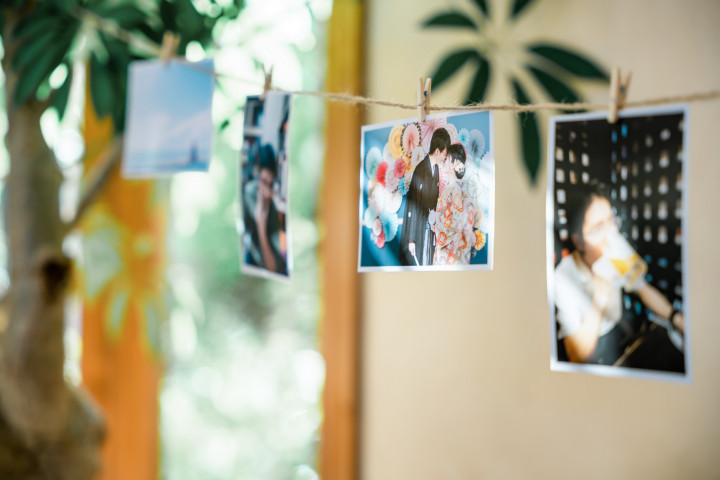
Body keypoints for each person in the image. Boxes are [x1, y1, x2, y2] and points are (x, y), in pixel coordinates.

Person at [554, 182, 683, 364]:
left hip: (620, 331)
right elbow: (577, 356)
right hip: (593, 348)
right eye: (598, 229)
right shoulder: (563, 278)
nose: (611, 235)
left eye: (612, 222)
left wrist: (676, 319)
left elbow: (643, 289)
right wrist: (601, 290)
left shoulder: (617, 251)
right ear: (579, 241)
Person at [399, 127, 450, 266]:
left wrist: (434, 220)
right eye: (445, 153)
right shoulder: (421, 170)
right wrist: (411, 239)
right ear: (438, 151)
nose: (445, 157)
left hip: (429, 226)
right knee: (420, 262)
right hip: (418, 228)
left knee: (427, 261)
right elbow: (412, 205)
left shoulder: (436, 170)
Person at [243, 144, 287, 275]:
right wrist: (260, 224)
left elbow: (274, 268)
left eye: (269, 183)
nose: (265, 190)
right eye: (262, 181)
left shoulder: (273, 207)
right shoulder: (251, 192)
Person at [433, 143, 477, 265]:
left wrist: (434, 226)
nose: (444, 161)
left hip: (449, 255)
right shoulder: (458, 192)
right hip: (456, 254)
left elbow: (453, 225)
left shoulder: (454, 191)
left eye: (446, 158)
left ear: (453, 164)